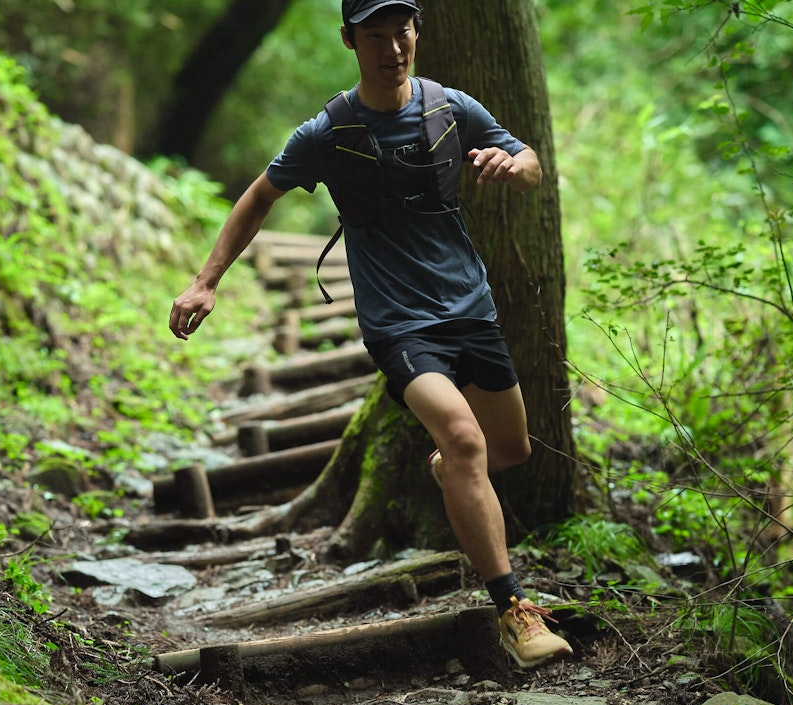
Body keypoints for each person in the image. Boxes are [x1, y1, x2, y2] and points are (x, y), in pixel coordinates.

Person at [169, 0, 573, 668]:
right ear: (350, 41)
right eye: (376, 36)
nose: (392, 48)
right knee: (467, 437)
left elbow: (528, 160)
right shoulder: (329, 131)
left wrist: (513, 168)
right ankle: (515, 612)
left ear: (417, 32)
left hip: (470, 309)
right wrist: (205, 280)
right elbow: (259, 195)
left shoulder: (450, 108)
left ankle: (452, 471)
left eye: (402, 32)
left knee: (512, 449)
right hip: (399, 323)